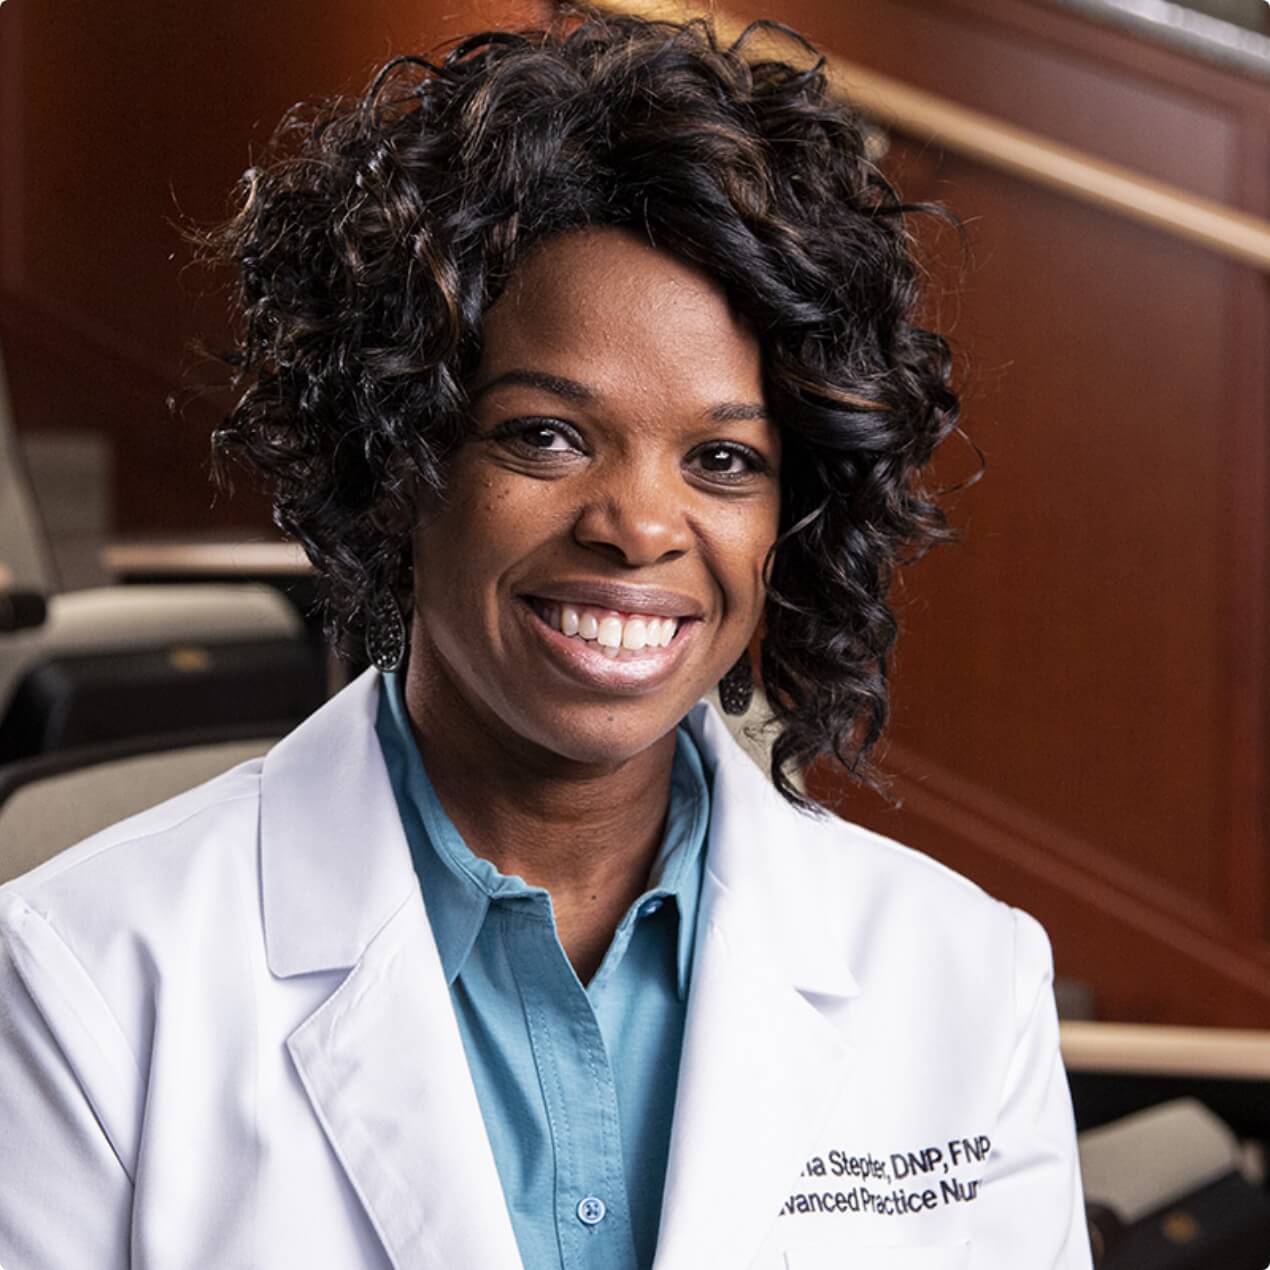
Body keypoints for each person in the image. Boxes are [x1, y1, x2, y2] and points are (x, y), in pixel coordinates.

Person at [0, 9, 1091, 1268]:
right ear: (400, 456)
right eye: (544, 434)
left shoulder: (967, 978)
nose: (637, 525)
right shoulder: (80, 978)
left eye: (723, 459)